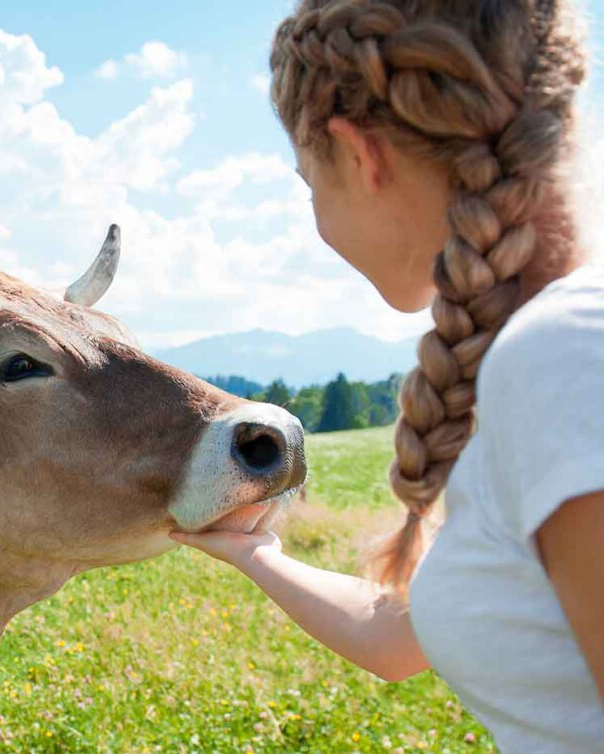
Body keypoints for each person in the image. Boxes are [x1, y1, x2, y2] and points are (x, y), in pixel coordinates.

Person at [171, 2, 604, 751]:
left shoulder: (561, 358)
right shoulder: (561, 361)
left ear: (360, 154)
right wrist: (254, 552)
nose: (318, 221)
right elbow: (405, 636)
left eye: (311, 183)